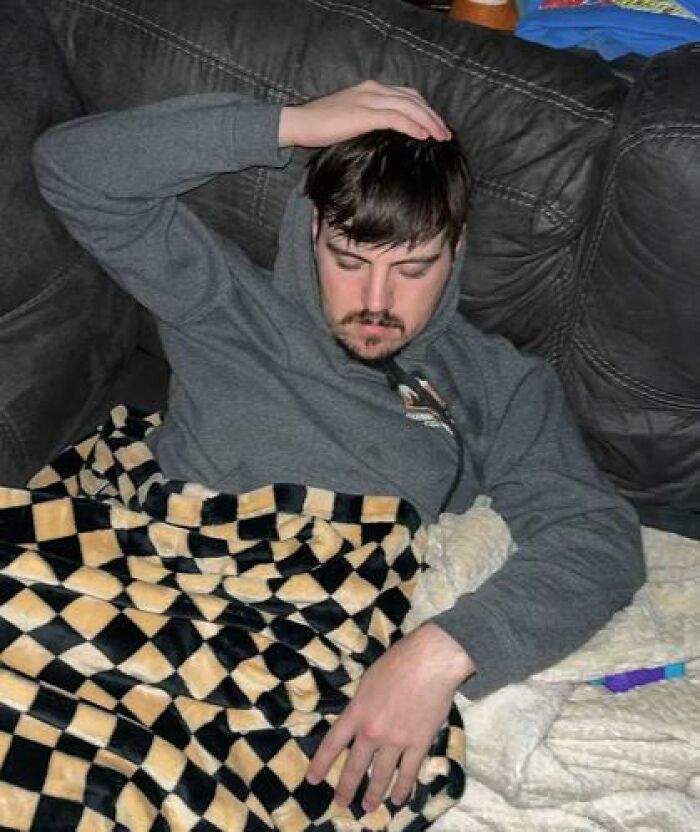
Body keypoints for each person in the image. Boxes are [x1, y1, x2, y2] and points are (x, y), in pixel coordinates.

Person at [33, 81, 644, 816]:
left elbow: (596, 535)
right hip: (149, 590)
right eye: (350, 260)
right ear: (309, 234)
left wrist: (439, 654)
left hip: (304, 640)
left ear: (456, 251)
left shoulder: (499, 384)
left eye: (413, 268)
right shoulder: (225, 304)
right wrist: (288, 125)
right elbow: (73, 169)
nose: (378, 301)